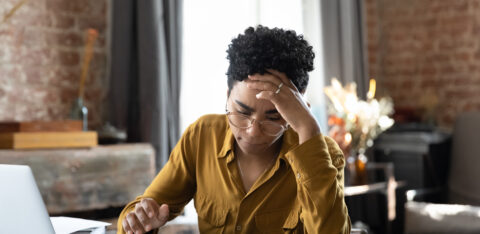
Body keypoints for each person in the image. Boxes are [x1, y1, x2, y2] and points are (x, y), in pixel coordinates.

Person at [118, 25, 351, 234]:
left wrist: (308, 128)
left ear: (296, 114)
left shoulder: (324, 155)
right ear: (228, 97)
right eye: (242, 112)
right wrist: (138, 222)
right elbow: (144, 210)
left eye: (273, 117)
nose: (252, 131)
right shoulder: (202, 136)